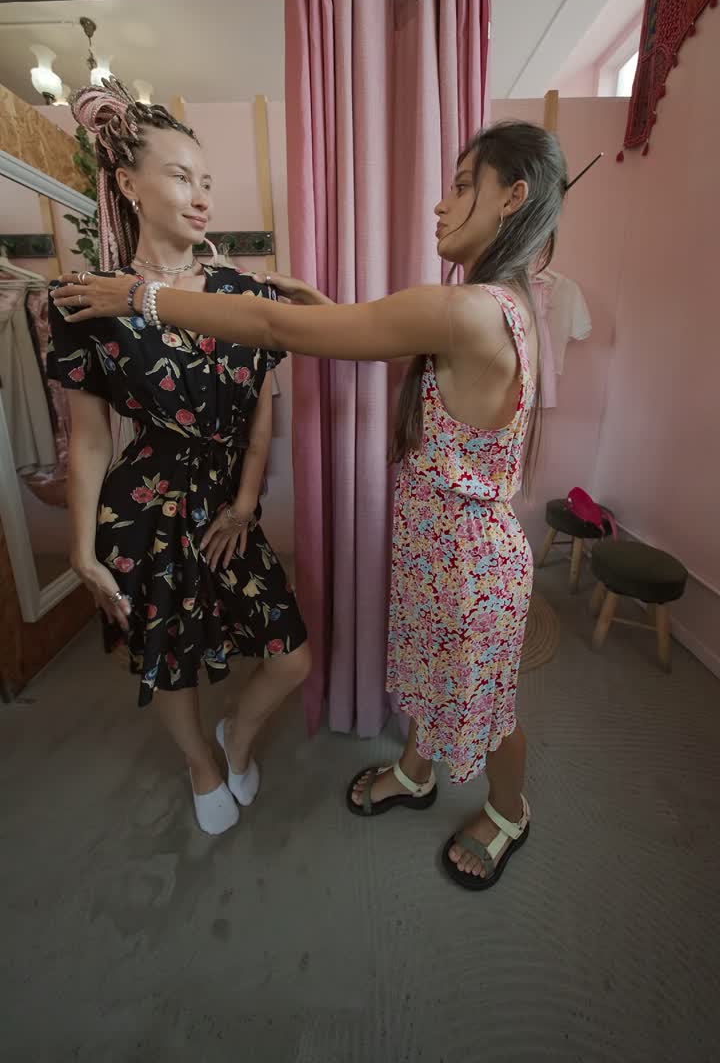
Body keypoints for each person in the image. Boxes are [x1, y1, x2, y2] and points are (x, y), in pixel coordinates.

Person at [53, 120, 568, 889]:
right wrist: (324, 304)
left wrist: (142, 298)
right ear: (129, 187)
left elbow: (272, 326)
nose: (440, 204)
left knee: (487, 707)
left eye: (463, 185)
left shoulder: (473, 309)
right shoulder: (482, 310)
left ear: (512, 198)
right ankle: (417, 773)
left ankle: (509, 812)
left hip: (470, 567)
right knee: (430, 683)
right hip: (436, 552)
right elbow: (400, 352)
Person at [47, 78, 309, 837]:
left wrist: (243, 503)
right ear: (127, 185)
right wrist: (81, 545)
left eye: (208, 184)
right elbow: (90, 437)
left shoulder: (236, 291)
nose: (201, 198)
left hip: (228, 506)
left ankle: (239, 737)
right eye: (181, 177)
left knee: (290, 655)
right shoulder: (86, 300)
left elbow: (262, 410)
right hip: (145, 508)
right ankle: (200, 761)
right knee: (171, 661)